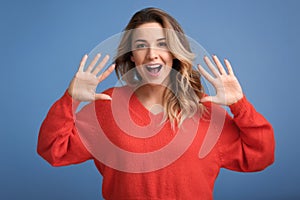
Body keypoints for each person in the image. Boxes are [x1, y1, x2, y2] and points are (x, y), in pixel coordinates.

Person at [37, 7, 275, 200]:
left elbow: (261, 155)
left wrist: (240, 105)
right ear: (132, 55)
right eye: (141, 46)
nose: (152, 54)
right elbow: (53, 149)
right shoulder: (106, 107)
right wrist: (70, 99)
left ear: (174, 52)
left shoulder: (203, 111)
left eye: (162, 44)